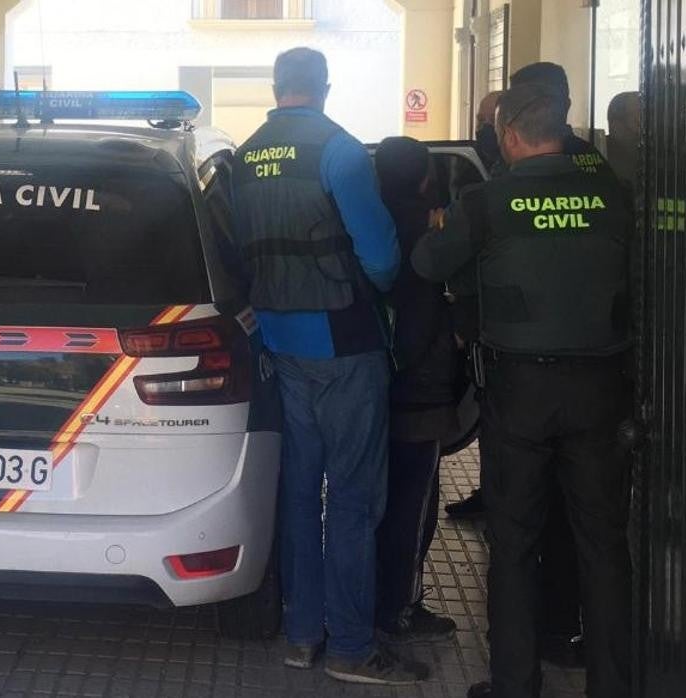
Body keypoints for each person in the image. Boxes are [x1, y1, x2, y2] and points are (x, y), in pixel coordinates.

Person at [412, 82, 634, 698]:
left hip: (521, 392)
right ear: (562, 130)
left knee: (513, 541)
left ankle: (515, 684)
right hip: (600, 389)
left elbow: (429, 263)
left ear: (509, 135)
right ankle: (612, 684)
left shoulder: (490, 200)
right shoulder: (612, 196)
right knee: (604, 544)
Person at [231, 47, 427, 685]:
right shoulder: (340, 151)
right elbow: (380, 257)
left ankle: (300, 635)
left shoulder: (244, 156)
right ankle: (349, 646)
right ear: (324, 88)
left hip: (280, 344)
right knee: (350, 499)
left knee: (297, 493)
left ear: (276, 86)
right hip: (344, 344)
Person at [372, 137, 460, 645]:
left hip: (368, 382)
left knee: (375, 497)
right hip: (418, 392)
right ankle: (398, 608)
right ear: (425, 178)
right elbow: (435, 311)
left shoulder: (366, 226)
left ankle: (372, 596)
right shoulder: (432, 232)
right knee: (415, 501)